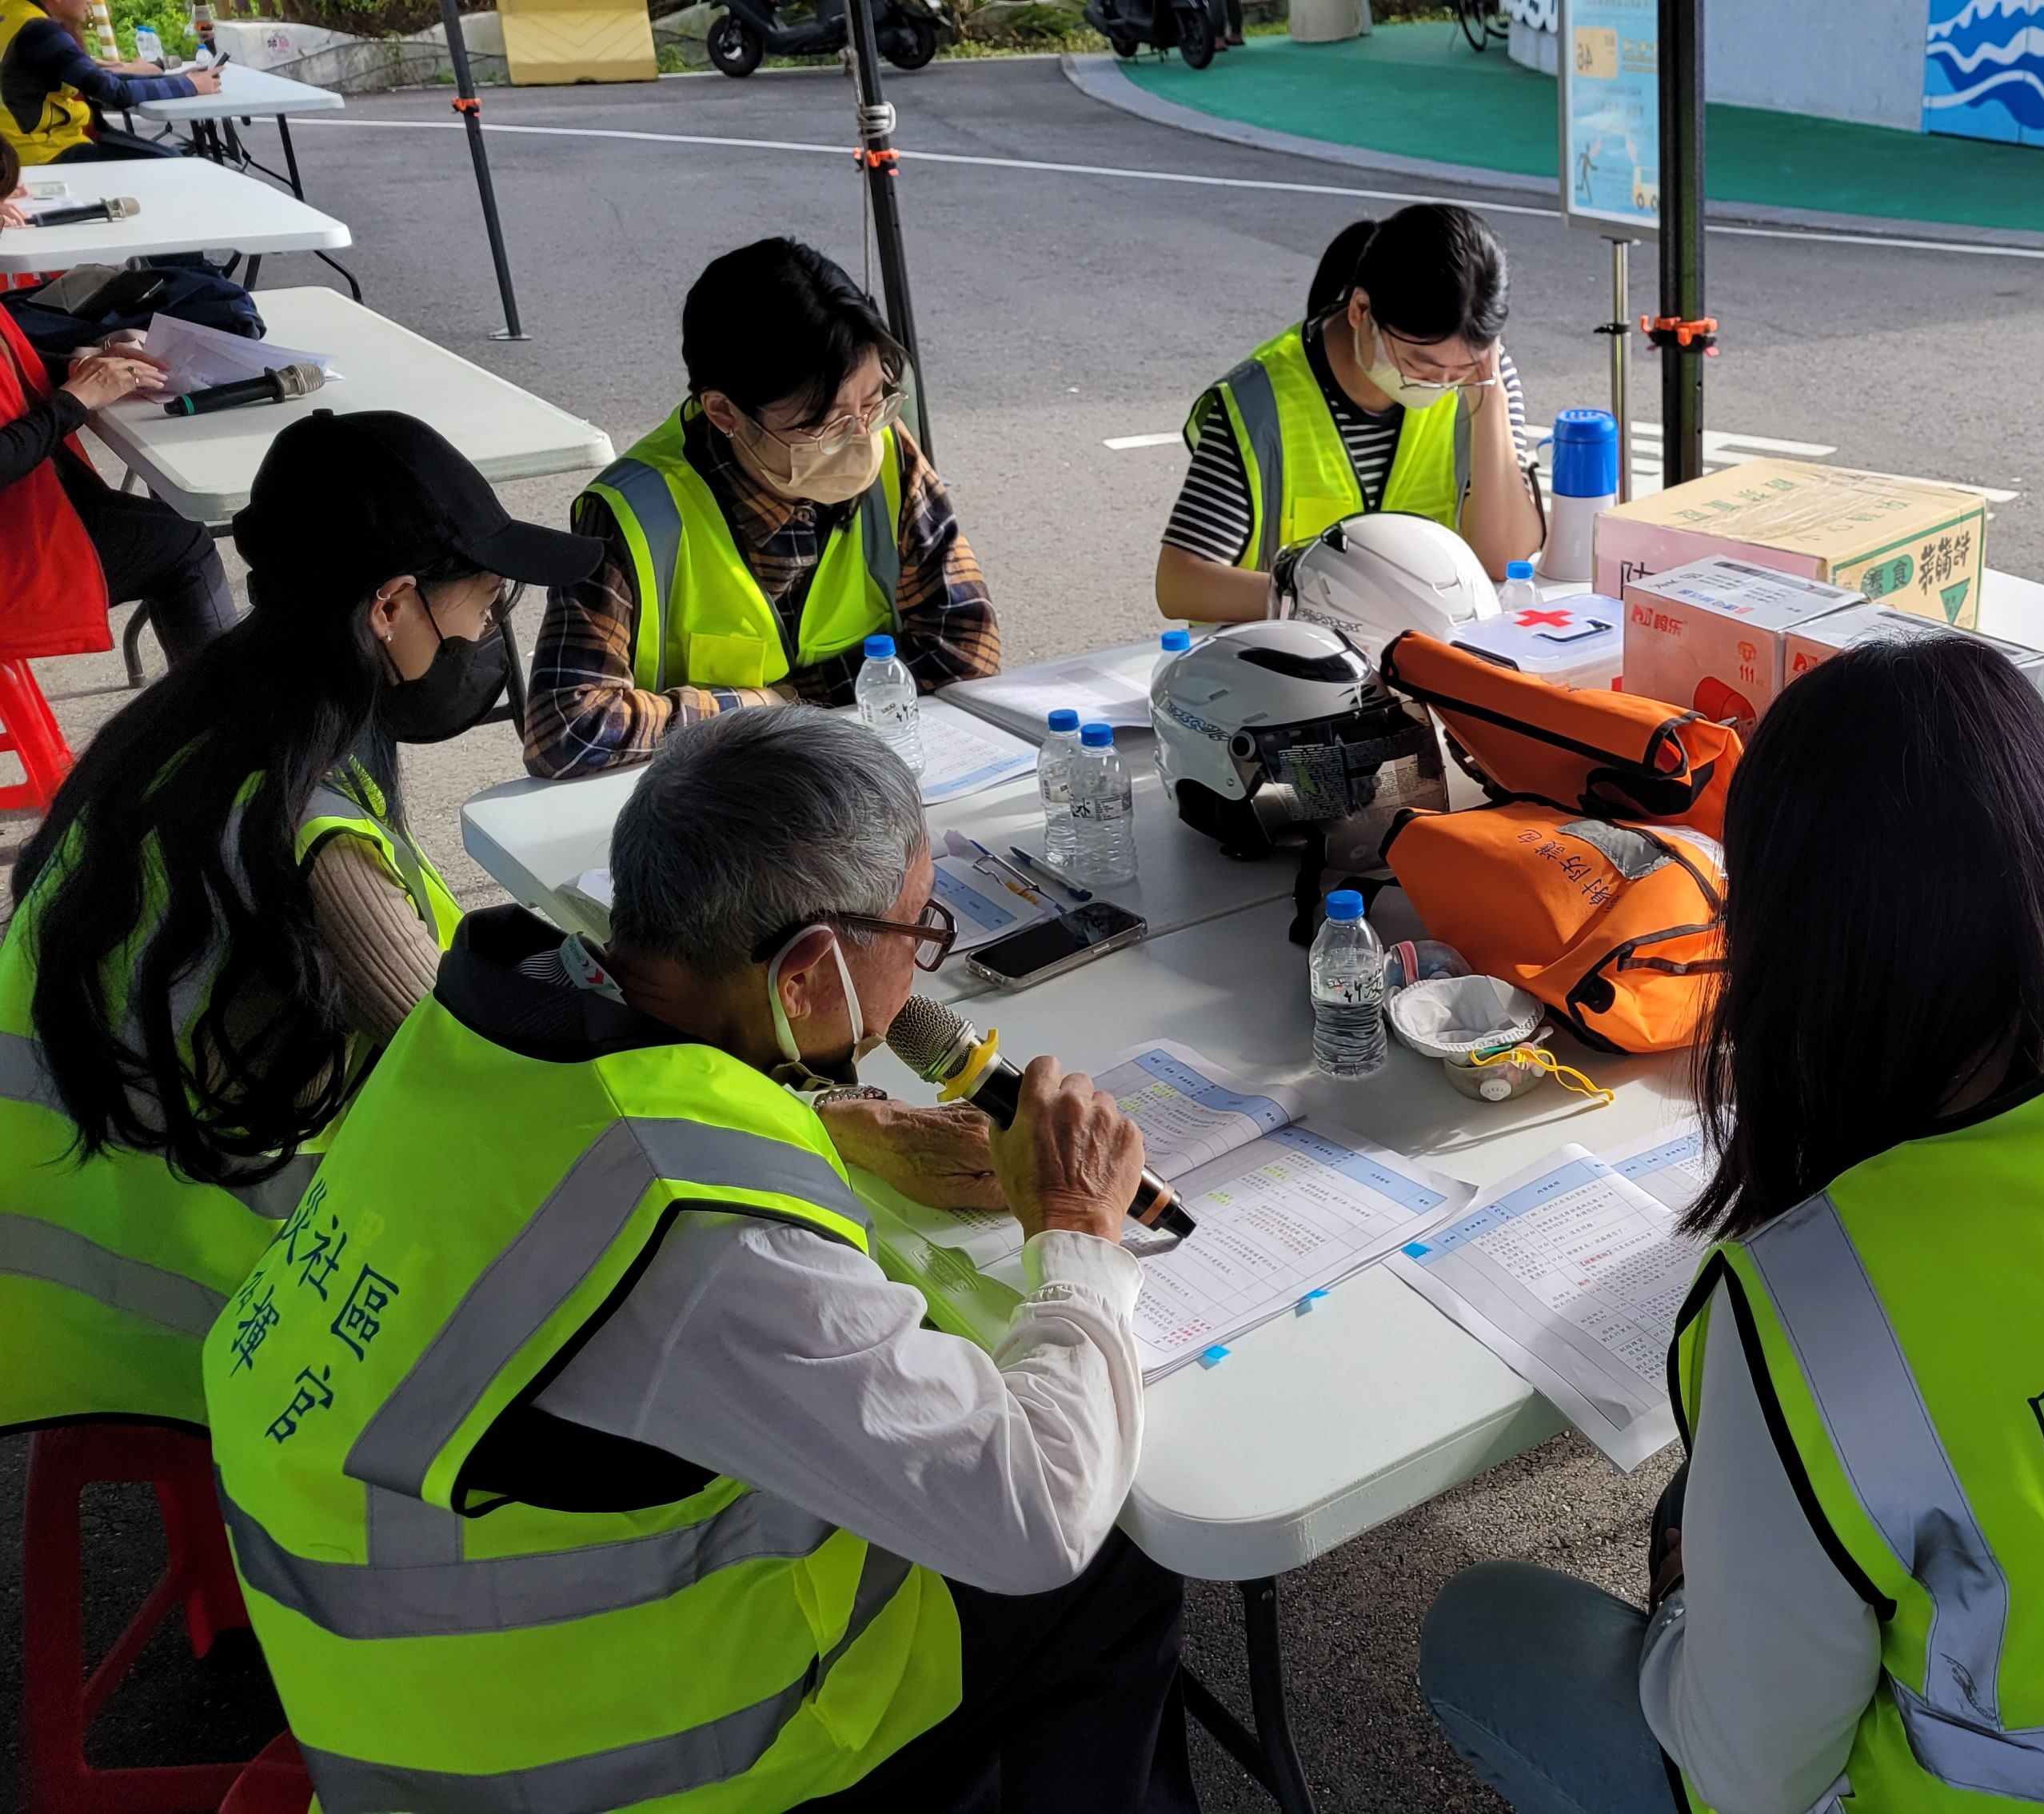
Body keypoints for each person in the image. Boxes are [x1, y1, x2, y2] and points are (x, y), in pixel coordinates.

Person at [1417, 637, 2044, 1814]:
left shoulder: (1816, 1301)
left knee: (1486, 1627)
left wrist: (1686, 1611)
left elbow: (1749, 1780)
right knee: (1802, 1505)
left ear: (1793, 942)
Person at [202, 706, 1196, 1814]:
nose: (919, 986)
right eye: (917, 937)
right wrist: (1077, 1229)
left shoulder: (486, 1016)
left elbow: (589, 1157)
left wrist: (829, 1120)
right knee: (1115, 1568)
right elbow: (1038, 1515)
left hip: (388, 1687)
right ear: (810, 970)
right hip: (584, 1757)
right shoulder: (704, 1241)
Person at [2, 410, 594, 1436]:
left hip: (55, 1276)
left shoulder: (192, 723)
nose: (484, 632)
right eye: (484, 600)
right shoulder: (304, 829)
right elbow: (466, 1064)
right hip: (201, 1322)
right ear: (392, 605)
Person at [524, 237, 1000, 779]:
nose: (859, 438)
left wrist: (790, 701)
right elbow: (566, 729)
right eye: (821, 425)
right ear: (724, 412)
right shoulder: (634, 514)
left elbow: (966, 647)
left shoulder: (890, 455)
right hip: (701, 801)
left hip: (858, 782)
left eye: (873, 404)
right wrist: (767, 708)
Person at [1157, 204, 1543, 624]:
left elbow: (1506, 561)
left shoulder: (1480, 378)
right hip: (1287, 669)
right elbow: (1180, 584)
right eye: (1421, 364)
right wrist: (1329, 601)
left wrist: (1489, 399)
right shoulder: (1258, 404)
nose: (1441, 382)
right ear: (1361, 311)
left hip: (1427, 662)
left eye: (1462, 367)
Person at [0, 140, 234, 662]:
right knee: (184, 549)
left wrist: (86, 362)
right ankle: (223, 729)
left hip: (25, 503)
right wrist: (74, 400)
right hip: (11, 550)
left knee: (168, 529)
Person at [1, 0, 214, 166]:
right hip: (43, 151)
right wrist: (189, 86)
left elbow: (92, 76)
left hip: (18, 149)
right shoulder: (39, 30)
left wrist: (178, 80)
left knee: (170, 158)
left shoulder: (12, 14)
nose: (92, 2)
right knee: (175, 164)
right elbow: (114, 92)